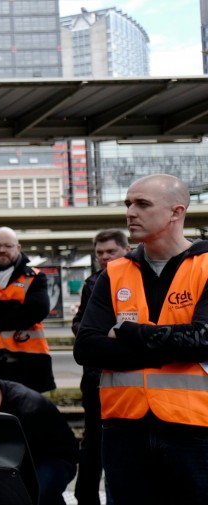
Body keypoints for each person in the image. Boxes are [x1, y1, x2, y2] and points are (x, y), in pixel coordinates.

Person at [74, 174, 208, 502]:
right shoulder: (115, 272)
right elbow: (86, 346)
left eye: (142, 204)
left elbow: (204, 339)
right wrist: (173, 346)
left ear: (176, 212)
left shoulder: (206, 267)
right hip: (124, 427)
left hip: (193, 427)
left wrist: (129, 333)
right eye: (128, 204)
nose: (130, 212)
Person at [70, 229, 128, 505]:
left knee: (124, 444)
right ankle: (86, 497)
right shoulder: (92, 283)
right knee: (93, 441)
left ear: (125, 250)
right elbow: (81, 326)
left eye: (110, 252)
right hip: (95, 377)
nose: (104, 258)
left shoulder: (135, 280)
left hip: (128, 377)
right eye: (99, 253)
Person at [0, 226, 55, 393]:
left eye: (8, 246)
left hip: (28, 360)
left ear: (18, 248)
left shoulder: (35, 277)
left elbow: (38, 310)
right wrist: (15, 306)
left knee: (27, 413)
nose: (2, 250)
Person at [0, 377, 78, 505]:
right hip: (27, 454)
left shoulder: (28, 409)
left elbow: (25, 459)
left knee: (35, 494)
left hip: (56, 457)